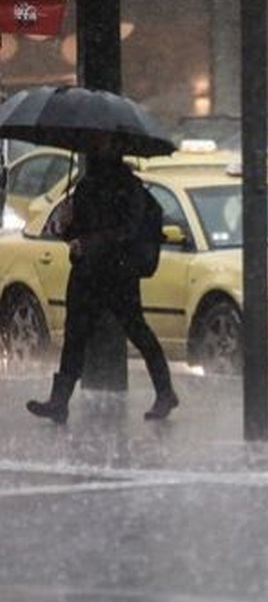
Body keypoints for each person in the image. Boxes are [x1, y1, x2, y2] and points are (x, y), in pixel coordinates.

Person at [26, 145, 178, 423]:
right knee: (75, 335)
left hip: (118, 274)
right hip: (87, 272)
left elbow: (128, 231)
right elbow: (80, 229)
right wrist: (67, 229)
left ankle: (165, 391)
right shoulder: (86, 185)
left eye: (103, 142)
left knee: (137, 330)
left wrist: (91, 243)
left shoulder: (128, 189)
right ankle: (59, 400)